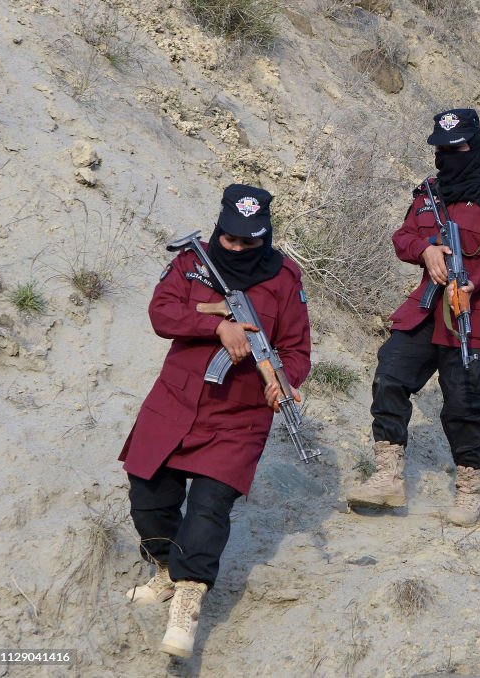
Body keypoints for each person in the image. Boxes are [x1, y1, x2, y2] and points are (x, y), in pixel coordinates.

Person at [120, 184, 312, 658]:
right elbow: (161, 312)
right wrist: (216, 322)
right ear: (219, 230)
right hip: (174, 403)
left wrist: (283, 381)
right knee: (148, 497)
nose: (241, 248)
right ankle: (167, 569)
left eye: (252, 241)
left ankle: (188, 598)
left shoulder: (286, 278)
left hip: (239, 417)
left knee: (207, 512)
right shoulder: (191, 263)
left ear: (266, 236)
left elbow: (296, 349)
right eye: (232, 239)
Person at [346, 109, 480, 527]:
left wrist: (472, 282)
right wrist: (424, 249)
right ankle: (388, 477)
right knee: (390, 375)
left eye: (457, 146)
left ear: (473, 144)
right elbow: (402, 237)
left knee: (461, 404)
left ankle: (469, 490)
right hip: (425, 310)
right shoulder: (429, 192)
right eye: (441, 148)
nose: (448, 155)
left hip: (472, 317)